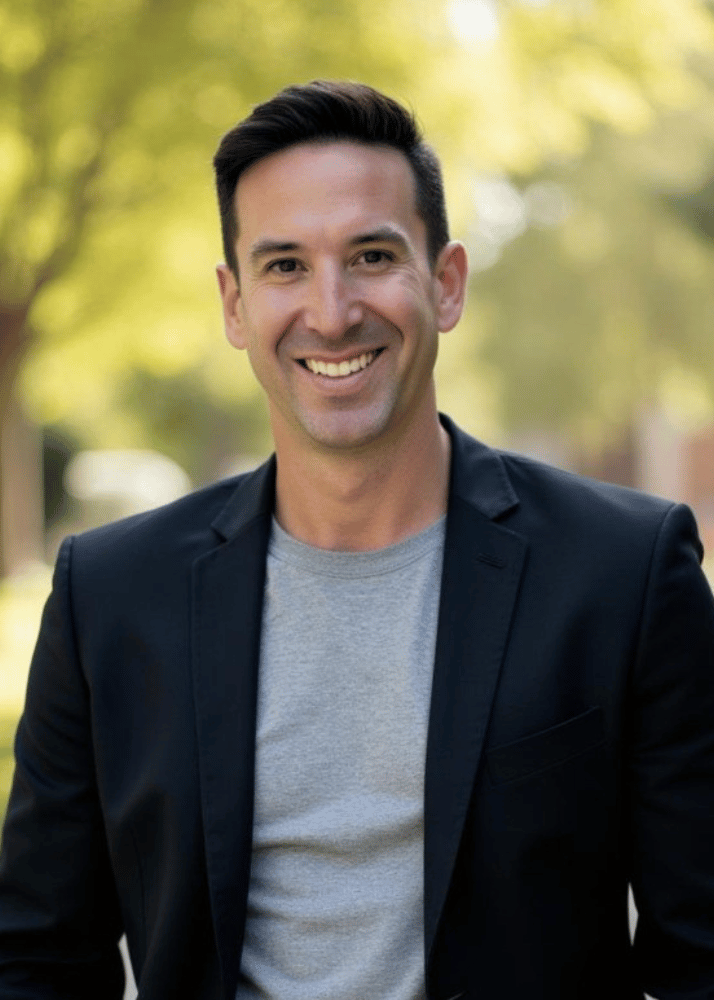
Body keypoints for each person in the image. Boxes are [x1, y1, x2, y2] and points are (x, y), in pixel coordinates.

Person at [0, 80, 713, 1000]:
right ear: (233, 304)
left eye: (371, 255)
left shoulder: (624, 572)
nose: (331, 313)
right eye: (285, 266)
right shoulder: (109, 595)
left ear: (445, 283)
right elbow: (37, 961)